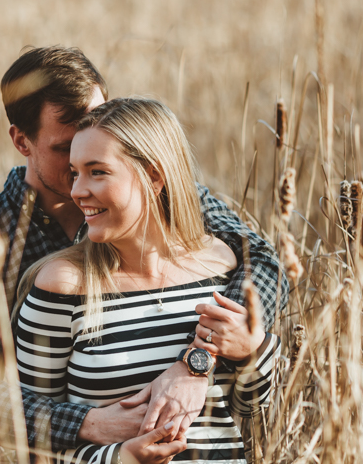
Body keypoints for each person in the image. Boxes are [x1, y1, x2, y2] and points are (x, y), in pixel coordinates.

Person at [0, 46, 287, 454]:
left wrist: (198, 359)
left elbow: (262, 262)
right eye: (66, 149)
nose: (79, 168)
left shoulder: (168, 200)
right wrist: (92, 425)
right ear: (22, 141)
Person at [14, 97, 281, 463]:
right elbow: (28, 435)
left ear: (154, 176)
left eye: (97, 171)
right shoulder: (63, 285)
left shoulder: (222, 266)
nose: (77, 190)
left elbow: (249, 409)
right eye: (76, 172)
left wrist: (253, 349)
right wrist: (118, 459)